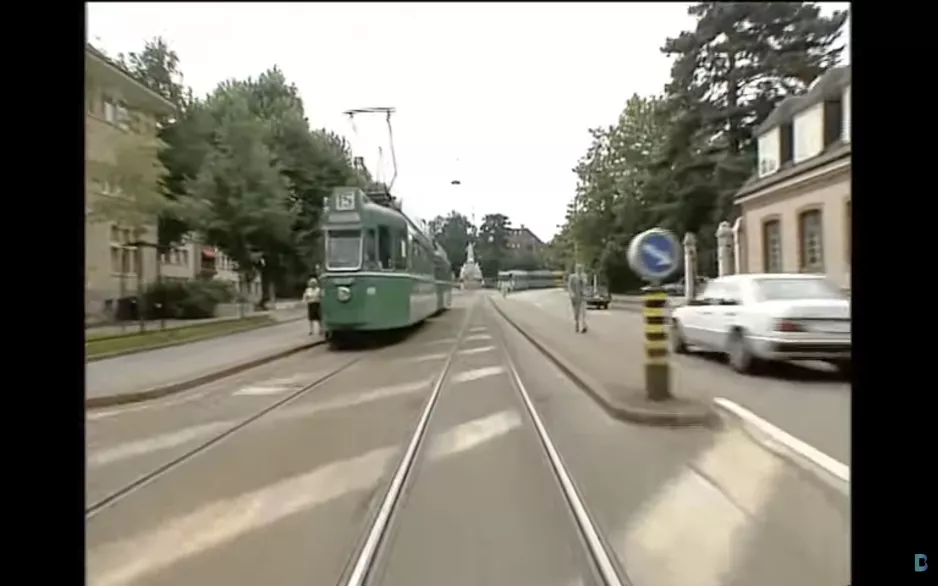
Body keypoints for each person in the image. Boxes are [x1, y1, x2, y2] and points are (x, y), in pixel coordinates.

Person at [567, 264, 588, 333]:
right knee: (576, 313)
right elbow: (569, 286)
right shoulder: (572, 277)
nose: (579, 270)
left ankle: (584, 327)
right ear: (576, 269)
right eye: (578, 268)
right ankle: (577, 324)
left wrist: (583, 281)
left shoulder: (584, 276)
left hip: (582, 297)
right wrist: (572, 294)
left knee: (583, 313)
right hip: (575, 298)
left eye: (580, 268)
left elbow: (585, 284)